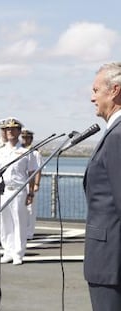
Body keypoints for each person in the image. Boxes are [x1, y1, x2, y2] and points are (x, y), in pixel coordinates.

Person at [84, 62, 121, 310]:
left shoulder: (117, 137)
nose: (92, 97)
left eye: (96, 90)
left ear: (115, 90)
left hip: (112, 263)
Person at [0, 117, 37, 265]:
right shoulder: (0, 152)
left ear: (19, 132)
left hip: (19, 191)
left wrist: (30, 193)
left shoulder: (25, 151)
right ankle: (8, 250)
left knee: (19, 222)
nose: (10, 132)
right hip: (4, 191)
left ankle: (18, 253)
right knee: (5, 223)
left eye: (13, 129)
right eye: (7, 129)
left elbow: (31, 173)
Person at [20, 128, 42, 240]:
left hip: (31, 184)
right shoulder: (20, 151)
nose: (25, 140)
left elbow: (38, 170)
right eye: (23, 137)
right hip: (21, 184)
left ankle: (29, 232)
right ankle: (23, 230)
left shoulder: (35, 152)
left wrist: (37, 184)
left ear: (31, 139)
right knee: (22, 209)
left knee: (31, 210)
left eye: (27, 137)